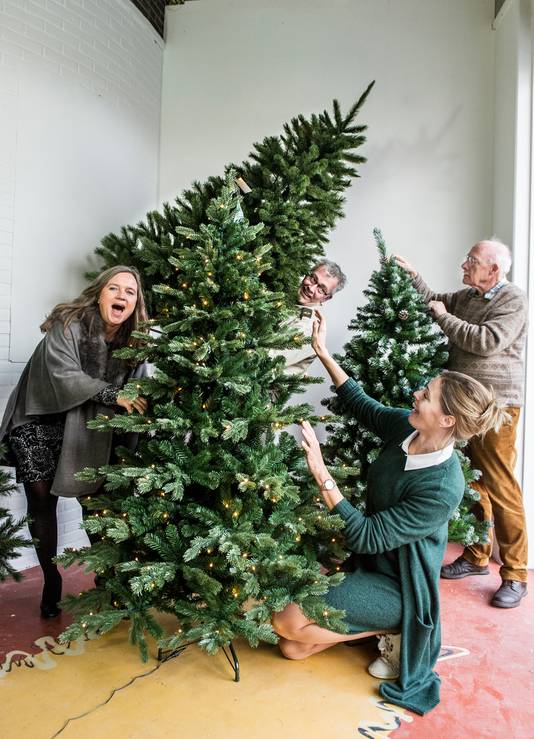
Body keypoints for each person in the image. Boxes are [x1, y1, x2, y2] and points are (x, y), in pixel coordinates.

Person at [272, 311, 507, 715]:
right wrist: (323, 353)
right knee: (292, 648)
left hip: (400, 585)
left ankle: (397, 626)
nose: (416, 394)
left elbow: (363, 533)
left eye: (427, 395)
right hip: (368, 564)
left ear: (447, 420)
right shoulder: (407, 428)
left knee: (286, 624)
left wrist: (321, 472)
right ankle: (376, 629)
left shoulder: (442, 487)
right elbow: (363, 405)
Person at [0, 266, 149, 618]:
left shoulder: (136, 343)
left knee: (93, 497)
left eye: (130, 292)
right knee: (41, 498)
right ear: (100, 292)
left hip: (83, 421)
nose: (121, 296)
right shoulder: (69, 323)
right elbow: (62, 374)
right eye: (114, 288)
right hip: (38, 414)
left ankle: (108, 575)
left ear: (135, 304)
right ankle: (51, 581)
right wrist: (114, 394)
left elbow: (140, 390)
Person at [395, 240, 528, 608]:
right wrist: (415, 278)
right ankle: (476, 555)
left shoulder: (512, 300)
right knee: (471, 482)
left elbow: (486, 342)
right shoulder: (470, 295)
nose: (464, 265)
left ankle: (516, 573)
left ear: (494, 270)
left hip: (496, 407)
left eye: (472, 260)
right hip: (461, 404)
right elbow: (436, 299)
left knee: (500, 484)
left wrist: (442, 316)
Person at [272, 260, 347, 376]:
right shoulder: (282, 292)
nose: (311, 288)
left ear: (325, 298)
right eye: (313, 279)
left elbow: (268, 360)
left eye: (321, 289)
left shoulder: (310, 330)